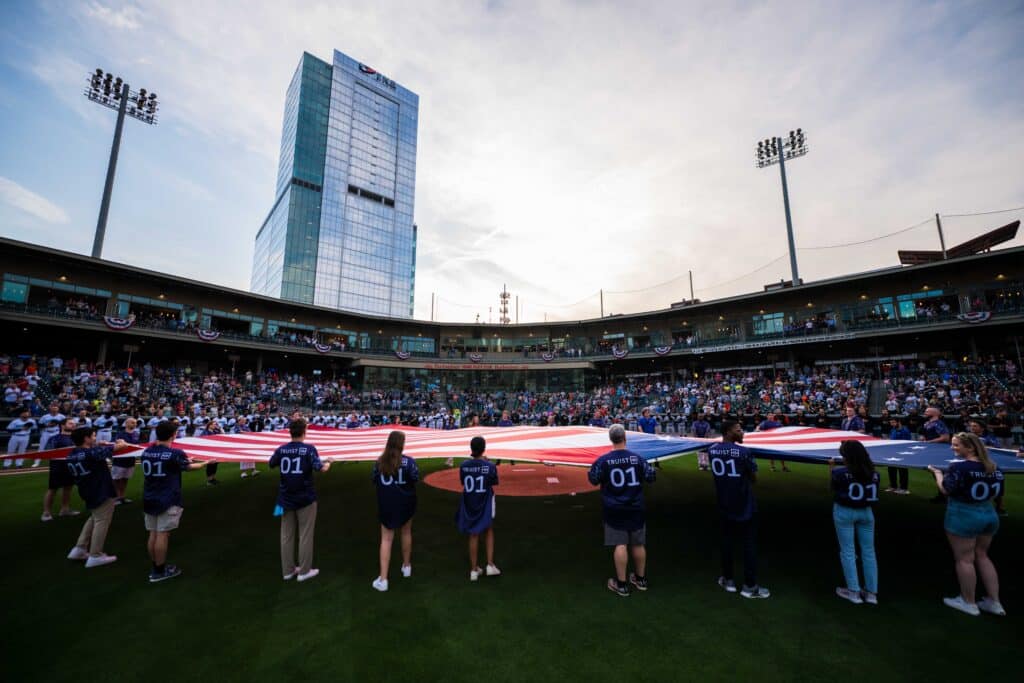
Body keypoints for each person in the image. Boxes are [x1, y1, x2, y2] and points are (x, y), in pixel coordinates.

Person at [927, 432, 1005, 616]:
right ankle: (994, 601)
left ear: (969, 447)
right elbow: (998, 493)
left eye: (956, 445)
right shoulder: (994, 467)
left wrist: (937, 474)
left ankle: (968, 602)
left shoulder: (959, 467)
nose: (952, 448)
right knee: (983, 556)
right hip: (989, 513)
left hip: (964, 515)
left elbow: (946, 490)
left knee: (964, 559)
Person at [587, 424, 656, 597]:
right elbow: (651, 476)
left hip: (614, 508)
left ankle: (622, 584)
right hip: (636, 506)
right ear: (625, 437)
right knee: (638, 544)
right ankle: (640, 579)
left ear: (611, 439)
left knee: (620, 544)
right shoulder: (637, 458)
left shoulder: (604, 460)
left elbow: (593, 479)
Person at [707, 419, 769, 599]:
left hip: (724, 503)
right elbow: (753, 478)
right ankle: (750, 586)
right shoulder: (744, 452)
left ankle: (728, 580)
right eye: (738, 430)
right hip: (744, 505)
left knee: (727, 543)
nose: (742, 433)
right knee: (748, 544)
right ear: (728, 432)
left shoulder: (712, 450)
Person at [141, 421, 207, 583]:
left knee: (153, 533)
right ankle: (160, 571)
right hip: (167, 497)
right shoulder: (175, 453)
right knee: (162, 534)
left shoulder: (147, 452)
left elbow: (173, 464)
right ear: (174, 435)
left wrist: (186, 460)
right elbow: (189, 467)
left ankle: (155, 566)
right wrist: (205, 463)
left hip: (150, 496)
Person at [269, 419, 330, 582]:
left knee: (286, 535)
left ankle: (288, 571)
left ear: (290, 432)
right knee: (305, 535)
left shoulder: (281, 449)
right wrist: (328, 462)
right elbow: (321, 468)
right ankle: (304, 571)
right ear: (304, 432)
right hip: (305, 498)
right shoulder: (309, 449)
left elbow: (271, 463)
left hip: (284, 498)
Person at [65, 427, 128, 568]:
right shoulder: (92, 453)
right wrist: (121, 442)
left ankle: (80, 548)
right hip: (100, 490)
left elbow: (92, 454)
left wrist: (98, 445)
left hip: (86, 489)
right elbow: (120, 446)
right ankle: (95, 555)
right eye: (93, 436)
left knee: (95, 517)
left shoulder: (71, 454)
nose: (95, 438)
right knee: (102, 521)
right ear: (86, 438)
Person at [829, 440, 880, 605]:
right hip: (866, 512)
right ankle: (871, 593)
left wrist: (831, 468)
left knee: (848, 551)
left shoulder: (839, 472)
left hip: (845, 511)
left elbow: (834, 487)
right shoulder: (874, 474)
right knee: (869, 551)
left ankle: (853, 591)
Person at [371, 430, 419, 592]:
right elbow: (415, 478)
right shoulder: (409, 462)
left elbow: (374, 479)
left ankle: (383, 579)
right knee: (406, 532)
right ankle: (407, 566)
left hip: (387, 505)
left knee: (386, 539)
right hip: (406, 503)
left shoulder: (379, 462)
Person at [455, 435, 500, 581]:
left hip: (470, 501)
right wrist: (486, 463)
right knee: (489, 529)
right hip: (485, 500)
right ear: (483, 448)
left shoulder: (464, 465)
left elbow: (463, 482)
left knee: (473, 533)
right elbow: (494, 481)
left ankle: (474, 570)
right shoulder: (489, 466)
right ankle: (490, 565)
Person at [41, 418, 79, 521]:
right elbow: (48, 452)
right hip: (57, 467)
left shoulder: (76, 438)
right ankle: (46, 513)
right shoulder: (55, 438)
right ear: (62, 425)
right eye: (70, 423)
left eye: (74, 424)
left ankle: (65, 509)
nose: (73, 425)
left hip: (71, 466)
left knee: (68, 487)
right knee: (53, 489)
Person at [922, 407, 952, 504]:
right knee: (936, 473)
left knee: (942, 473)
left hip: (940, 451)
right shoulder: (927, 423)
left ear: (935, 413)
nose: (925, 413)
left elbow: (945, 438)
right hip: (931, 450)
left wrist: (929, 442)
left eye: (927, 411)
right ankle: (942, 495)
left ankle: (946, 495)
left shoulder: (939, 424)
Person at [111, 417, 140, 505]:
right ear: (126, 424)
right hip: (120, 460)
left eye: (135, 423)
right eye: (132, 422)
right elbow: (115, 444)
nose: (134, 424)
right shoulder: (120, 434)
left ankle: (122, 497)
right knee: (116, 480)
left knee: (125, 479)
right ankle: (115, 497)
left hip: (130, 460)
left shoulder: (136, 434)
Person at [886, 416, 912, 495]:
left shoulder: (905, 430)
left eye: (893, 422)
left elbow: (906, 443)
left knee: (902, 470)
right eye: (891, 423)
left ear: (898, 422)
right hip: (892, 452)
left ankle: (904, 488)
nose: (892, 424)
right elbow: (891, 439)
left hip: (902, 453)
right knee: (891, 469)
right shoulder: (893, 429)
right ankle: (893, 486)